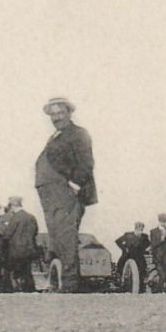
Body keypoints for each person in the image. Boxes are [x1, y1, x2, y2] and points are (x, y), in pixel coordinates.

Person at [35, 97, 96, 289]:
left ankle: (70, 284)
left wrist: (74, 185)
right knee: (57, 239)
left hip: (63, 194)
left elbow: (86, 163)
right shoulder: (56, 136)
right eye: (52, 114)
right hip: (51, 196)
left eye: (60, 113)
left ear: (69, 113)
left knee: (66, 237)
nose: (56, 117)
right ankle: (65, 282)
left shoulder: (78, 134)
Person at [0, 196, 40, 293]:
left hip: (16, 249)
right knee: (27, 270)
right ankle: (29, 288)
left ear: (13, 205)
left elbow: (8, 234)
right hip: (29, 248)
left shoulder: (15, 218)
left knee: (11, 270)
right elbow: (36, 231)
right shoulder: (31, 217)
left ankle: (11, 288)